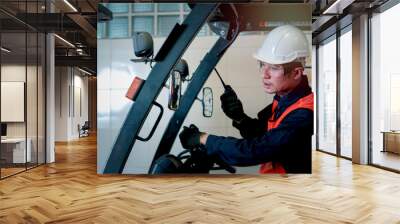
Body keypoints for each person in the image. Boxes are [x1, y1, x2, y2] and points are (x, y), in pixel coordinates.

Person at [179, 24, 313, 174]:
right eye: (263, 65)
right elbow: (263, 136)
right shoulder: (284, 100)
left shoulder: (304, 114)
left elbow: (255, 150)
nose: (264, 74)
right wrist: (239, 117)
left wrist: (204, 139)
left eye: (274, 67)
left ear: (296, 73)